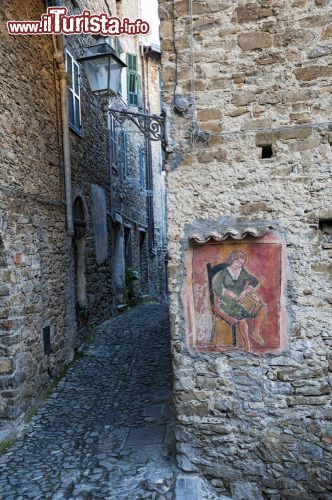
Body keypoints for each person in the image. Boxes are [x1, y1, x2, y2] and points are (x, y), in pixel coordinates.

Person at [211, 249, 266, 352]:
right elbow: (216, 287)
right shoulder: (225, 272)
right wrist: (227, 292)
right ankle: (246, 343)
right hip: (227, 302)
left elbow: (254, 281)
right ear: (232, 260)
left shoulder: (242, 272)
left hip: (240, 300)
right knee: (240, 316)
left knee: (262, 308)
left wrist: (246, 290)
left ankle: (256, 332)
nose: (240, 265)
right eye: (238, 262)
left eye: (242, 263)